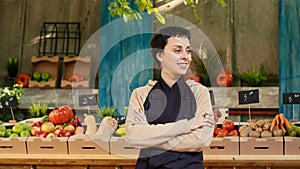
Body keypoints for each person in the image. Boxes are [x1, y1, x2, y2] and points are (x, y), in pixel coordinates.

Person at [125, 26, 214, 169]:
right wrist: (188, 125)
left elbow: (200, 140)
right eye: (178, 50)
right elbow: (132, 136)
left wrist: (150, 139)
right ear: (160, 55)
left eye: (188, 50)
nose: (186, 56)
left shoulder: (200, 93)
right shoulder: (140, 94)